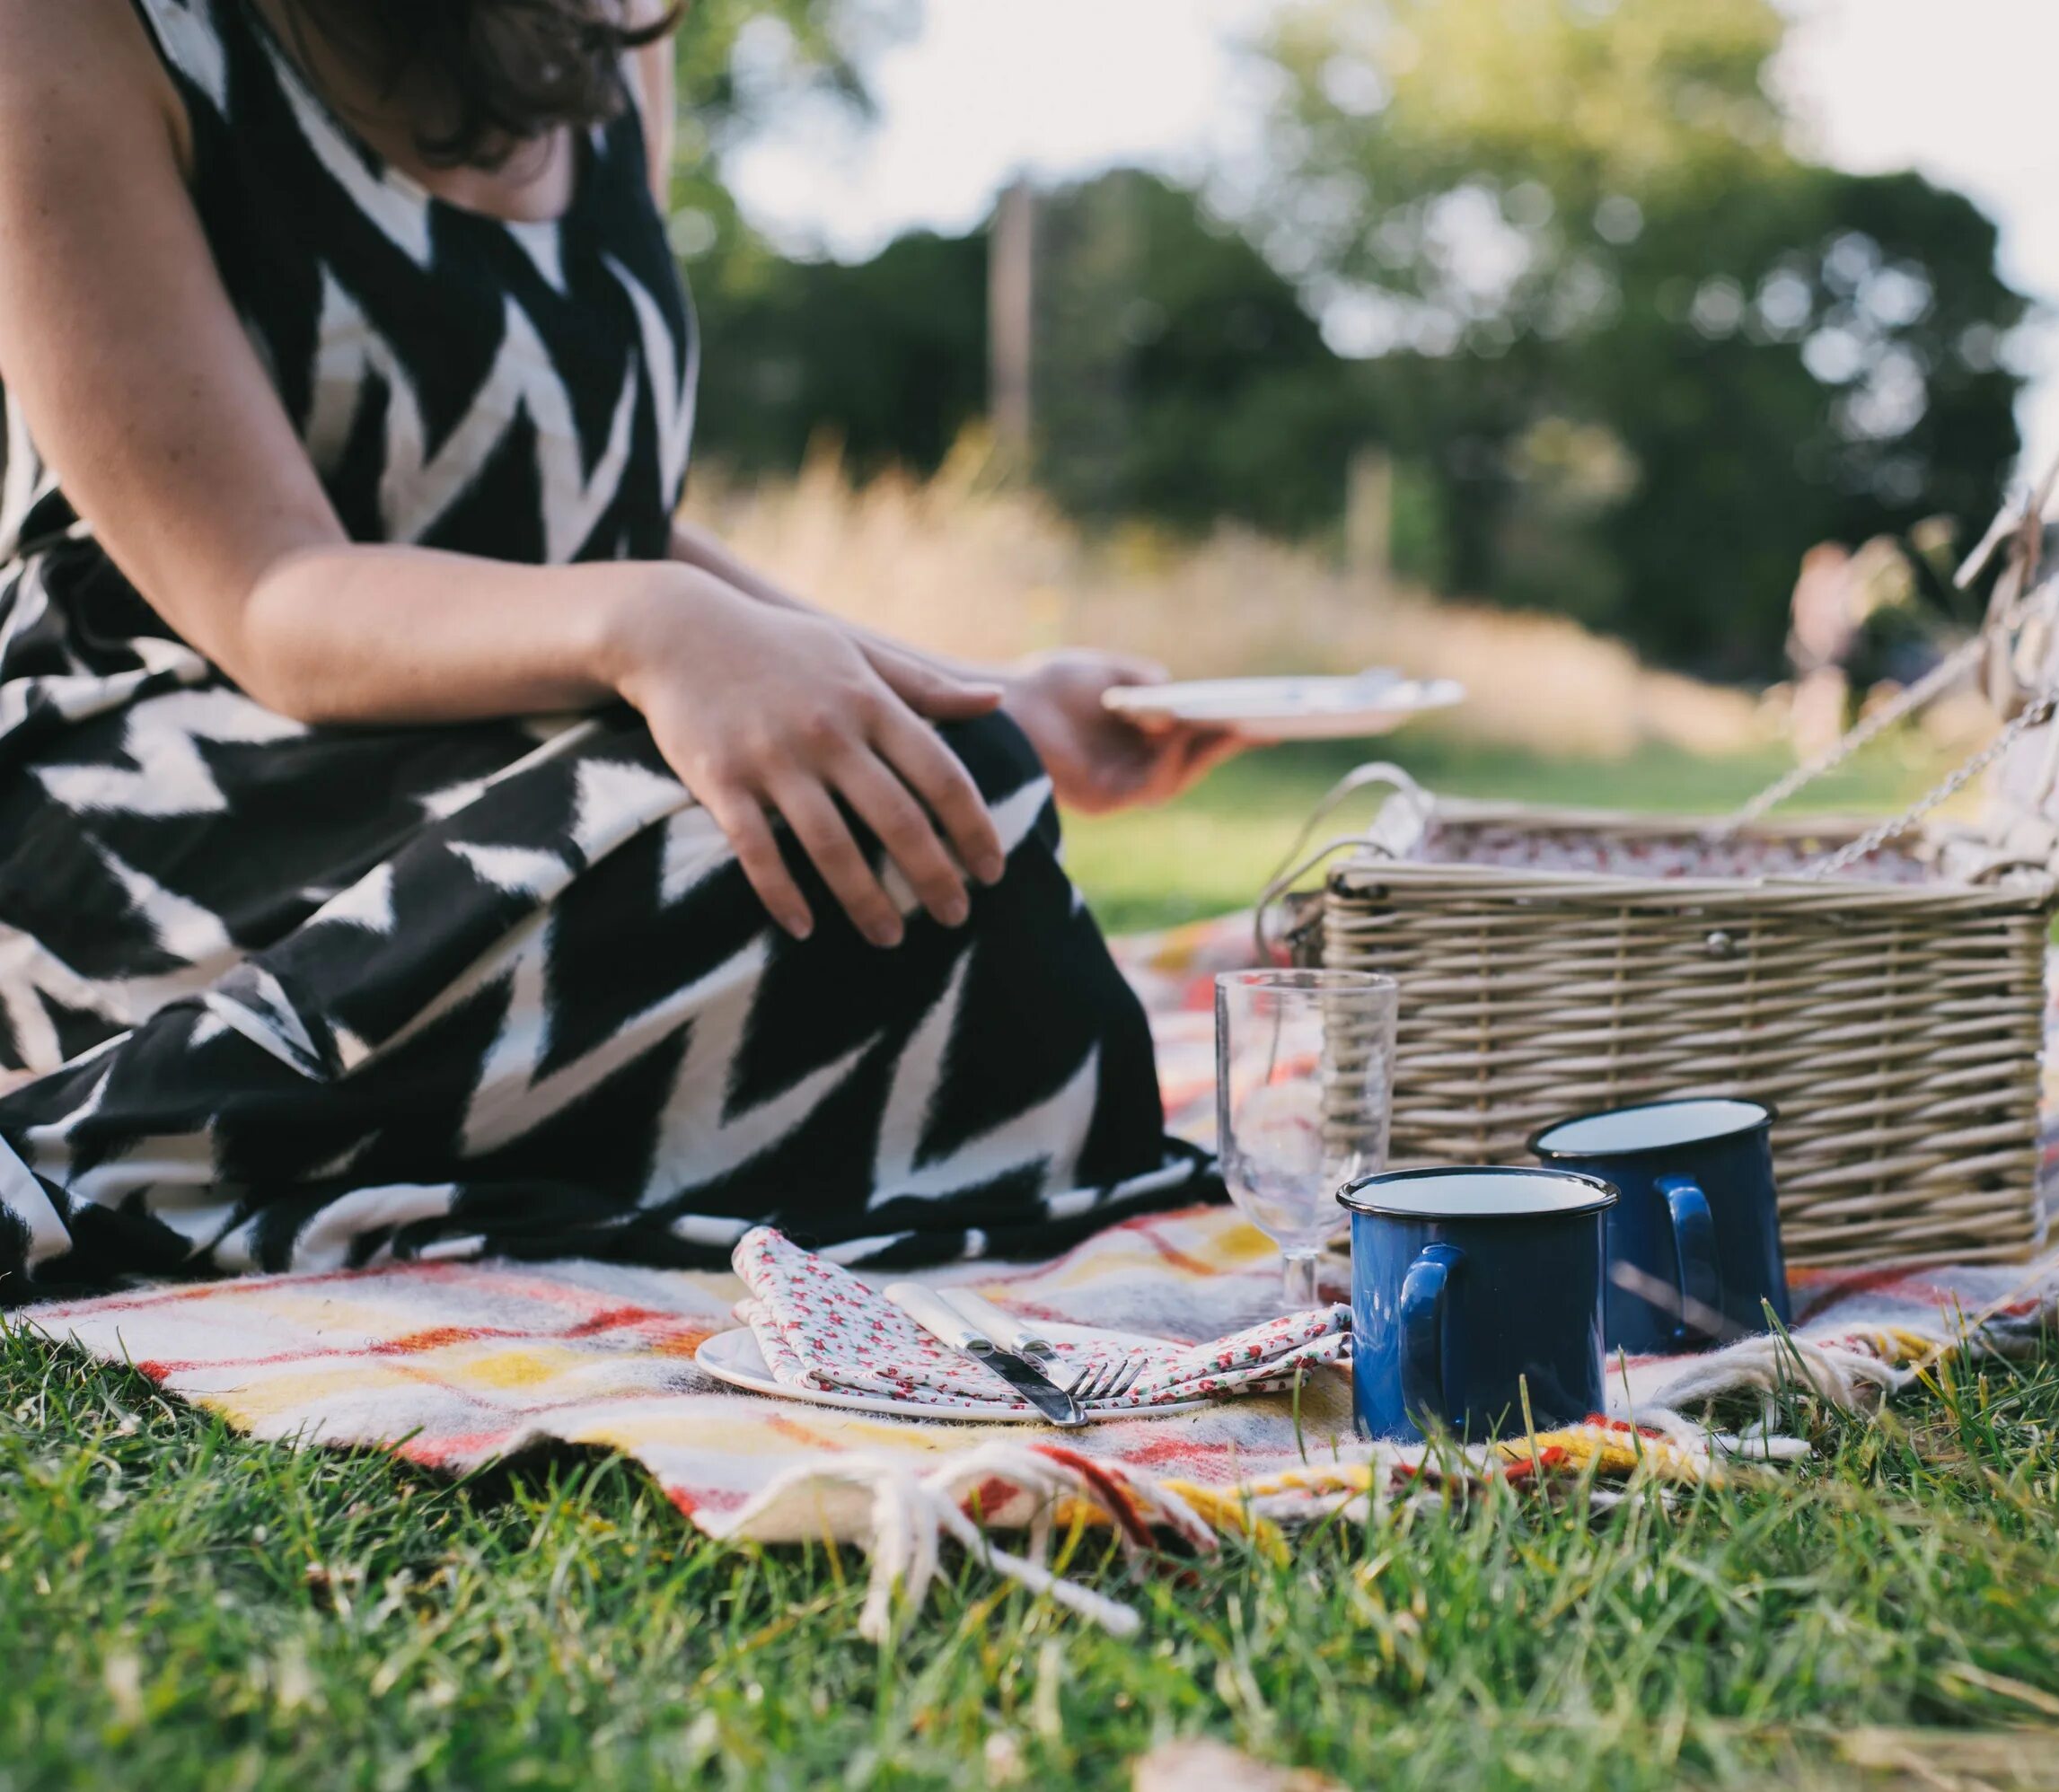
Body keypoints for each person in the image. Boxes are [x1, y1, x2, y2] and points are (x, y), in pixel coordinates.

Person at [0, 0, 1242, 1301]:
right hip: (159, 788)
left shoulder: (606, 33)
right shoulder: (76, 30)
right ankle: (105, 1147)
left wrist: (963, 693)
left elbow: (606, 526)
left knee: (946, 789)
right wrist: (651, 625)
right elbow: (267, 594)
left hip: (492, 745)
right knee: (772, 866)